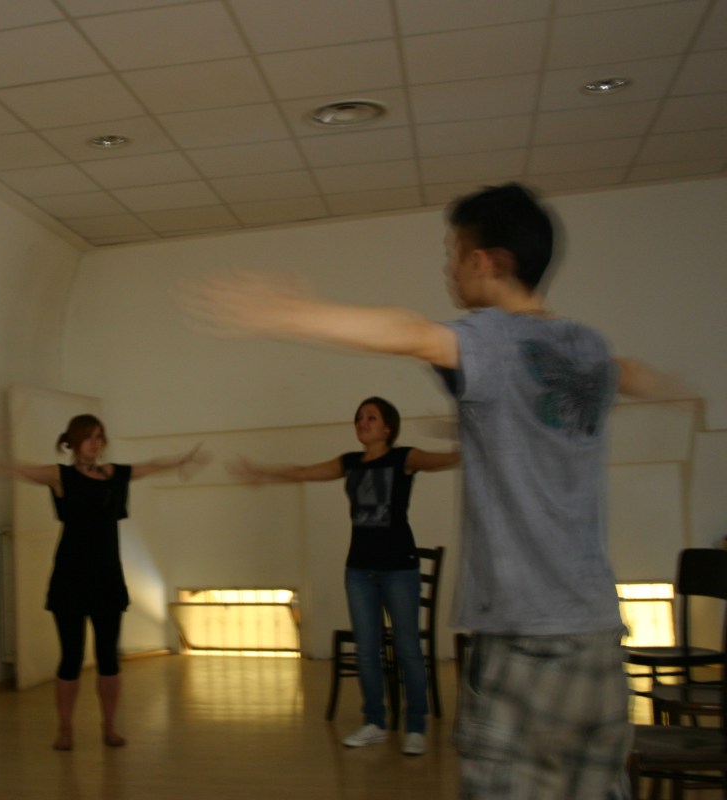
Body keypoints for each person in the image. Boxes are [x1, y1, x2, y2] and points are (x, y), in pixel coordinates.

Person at [189, 183, 668, 798]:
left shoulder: (492, 339)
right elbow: (619, 377)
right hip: (599, 633)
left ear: (486, 261)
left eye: (453, 253)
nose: (448, 268)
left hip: (527, 636)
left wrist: (289, 314)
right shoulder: (589, 347)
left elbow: (411, 332)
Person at [230, 396, 458, 756]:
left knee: (408, 650)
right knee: (366, 650)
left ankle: (416, 726)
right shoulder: (350, 463)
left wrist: (476, 439)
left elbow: (445, 460)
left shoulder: (404, 458)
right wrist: (264, 473)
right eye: (359, 418)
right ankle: (374, 722)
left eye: (371, 417)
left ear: (388, 427)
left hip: (400, 569)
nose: (362, 422)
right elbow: (305, 472)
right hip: (359, 570)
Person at [5, 414, 206, 751]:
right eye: (88, 437)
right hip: (70, 577)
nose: (95, 443)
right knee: (71, 657)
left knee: (108, 657)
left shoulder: (114, 474)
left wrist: (181, 460)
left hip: (107, 577)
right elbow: (22, 471)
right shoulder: (61, 475)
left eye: (99, 436)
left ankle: (109, 726)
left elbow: (150, 467)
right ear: (73, 442)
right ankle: (65, 728)